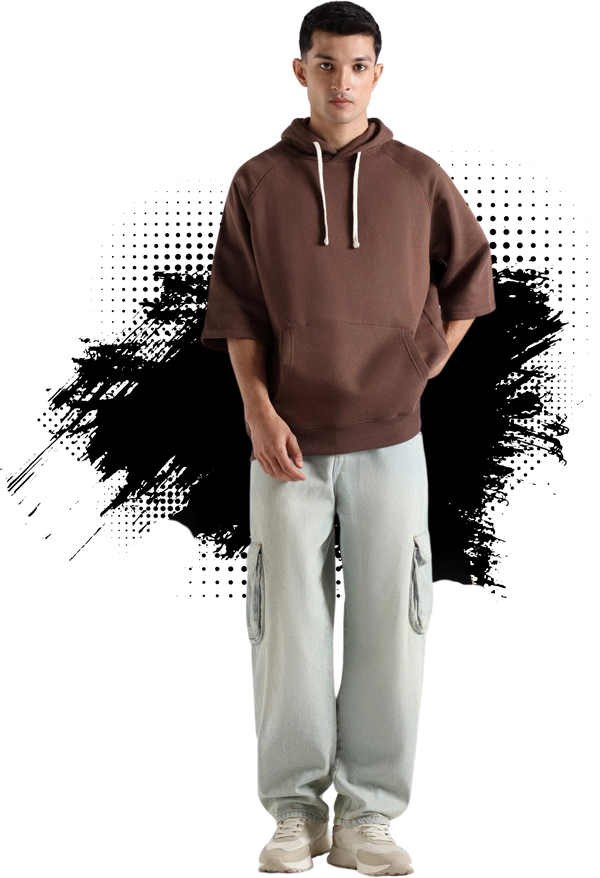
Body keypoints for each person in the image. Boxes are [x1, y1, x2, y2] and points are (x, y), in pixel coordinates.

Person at [201, 3, 496, 874]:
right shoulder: (257, 183)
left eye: (358, 65)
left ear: (378, 74)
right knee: (286, 632)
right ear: (299, 72)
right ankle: (296, 814)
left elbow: (471, 275)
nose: (342, 81)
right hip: (285, 444)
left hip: (393, 440)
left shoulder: (417, 176)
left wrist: (425, 362)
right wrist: (256, 409)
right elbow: (240, 312)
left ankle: (369, 812)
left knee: (390, 627)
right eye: (326, 65)